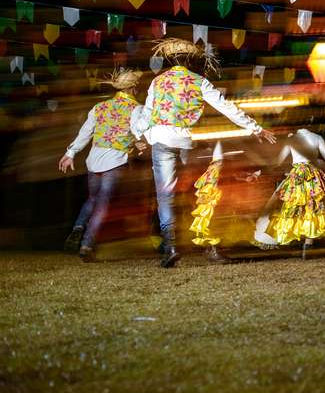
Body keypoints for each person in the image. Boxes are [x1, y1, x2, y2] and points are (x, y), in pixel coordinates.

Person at [133, 38, 276, 268]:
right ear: (190, 60)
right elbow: (227, 107)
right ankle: (210, 247)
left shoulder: (157, 82)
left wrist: (138, 137)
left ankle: (170, 247)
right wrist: (255, 128)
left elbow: (147, 115)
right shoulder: (199, 81)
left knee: (166, 197)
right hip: (186, 144)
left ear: (170, 59)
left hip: (161, 140)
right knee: (197, 195)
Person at [59, 69, 145, 262]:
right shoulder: (137, 109)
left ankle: (78, 227)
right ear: (132, 88)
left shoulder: (99, 107)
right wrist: (140, 143)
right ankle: (87, 245)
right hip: (115, 161)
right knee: (103, 203)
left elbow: (85, 133)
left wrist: (70, 153)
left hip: (94, 160)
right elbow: (138, 131)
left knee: (92, 199)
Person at [264, 127, 325, 258]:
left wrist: (268, 167)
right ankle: (308, 244)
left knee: (296, 206)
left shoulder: (292, 138)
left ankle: (300, 238)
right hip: (313, 174)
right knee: (314, 207)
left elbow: (279, 160)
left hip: (297, 174)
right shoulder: (317, 137)